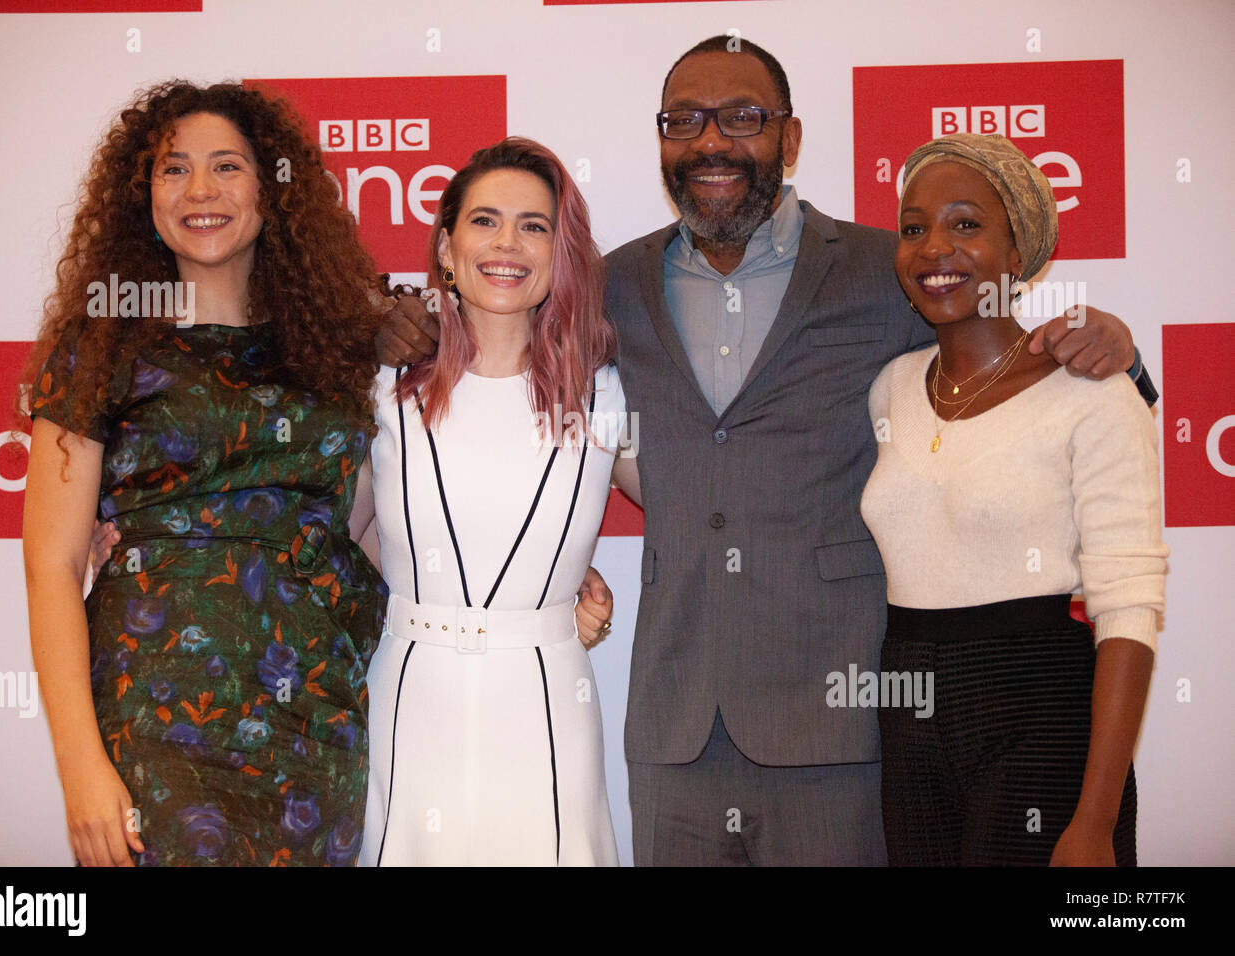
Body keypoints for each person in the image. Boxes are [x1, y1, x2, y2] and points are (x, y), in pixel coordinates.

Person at [375, 37, 1151, 866]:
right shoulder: (610, 286)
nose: (711, 142)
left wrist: (1115, 349)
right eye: (685, 121)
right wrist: (388, 320)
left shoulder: (881, 270)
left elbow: (993, 359)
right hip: (672, 732)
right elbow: (514, 411)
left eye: (743, 117)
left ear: (792, 137)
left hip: (836, 725)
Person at [22, 81, 392, 866]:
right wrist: (81, 769)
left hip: (316, 717)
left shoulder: (338, 349)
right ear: (141, 194)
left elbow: (367, 523)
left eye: (227, 166)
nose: (200, 191)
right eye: (173, 169)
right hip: (157, 716)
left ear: (272, 189)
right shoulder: (101, 347)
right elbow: (51, 565)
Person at [861, 133, 1166, 866]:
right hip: (906, 710)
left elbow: (1128, 606)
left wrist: (1094, 821)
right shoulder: (891, 386)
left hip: (1041, 711)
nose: (935, 247)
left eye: (966, 224)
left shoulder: (1094, 391)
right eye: (913, 228)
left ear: (1019, 251)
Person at [355, 137, 639, 866]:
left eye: (534, 226)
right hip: (410, 701)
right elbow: (334, 539)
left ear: (559, 254)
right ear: (446, 249)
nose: (507, 243)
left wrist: (567, 583)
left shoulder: (604, 394)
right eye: (485, 221)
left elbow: (706, 506)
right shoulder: (383, 387)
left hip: (548, 705)